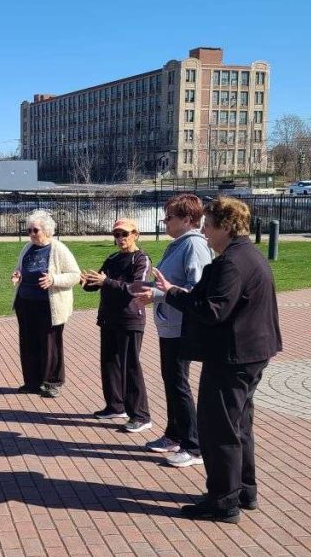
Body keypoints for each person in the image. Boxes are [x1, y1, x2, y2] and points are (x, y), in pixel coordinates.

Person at [151, 197, 282, 523]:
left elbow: (212, 310)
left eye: (208, 226)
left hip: (233, 357)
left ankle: (223, 501)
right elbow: (213, 300)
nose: (204, 232)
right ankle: (243, 491)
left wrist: (172, 294)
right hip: (249, 353)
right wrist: (173, 291)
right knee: (239, 426)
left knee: (219, 429)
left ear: (226, 226)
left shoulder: (233, 263)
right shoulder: (246, 255)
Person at [142, 195, 212, 466]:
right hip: (169, 325)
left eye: (170, 216)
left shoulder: (194, 245)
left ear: (187, 220)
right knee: (171, 382)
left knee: (178, 384)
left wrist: (158, 294)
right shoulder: (178, 245)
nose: (165, 221)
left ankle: (193, 446)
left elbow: (198, 289)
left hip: (182, 326)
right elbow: (169, 283)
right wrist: (151, 288)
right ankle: (174, 435)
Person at [80, 218, 152, 433]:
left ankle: (140, 415)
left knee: (131, 367)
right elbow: (98, 284)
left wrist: (106, 282)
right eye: (117, 235)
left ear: (135, 234)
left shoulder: (142, 258)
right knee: (110, 363)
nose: (120, 238)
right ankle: (115, 405)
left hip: (131, 319)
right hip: (109, 319)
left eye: (125, 234)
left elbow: (139, 287)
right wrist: (86, 281)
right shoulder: (112, 258)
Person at [11, 209, 80, 398]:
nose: (32, 234)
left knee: (50, 344)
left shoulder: (58, 249)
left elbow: (75, 275)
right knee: (29, 342)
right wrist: (18, 275)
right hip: (26, 303)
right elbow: (21, 269)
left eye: (35, 231)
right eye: (29, 231)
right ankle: (32, 381)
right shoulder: (27, 248)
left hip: (49, 305)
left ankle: (52, 382)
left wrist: (53, 279)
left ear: (47, 231)